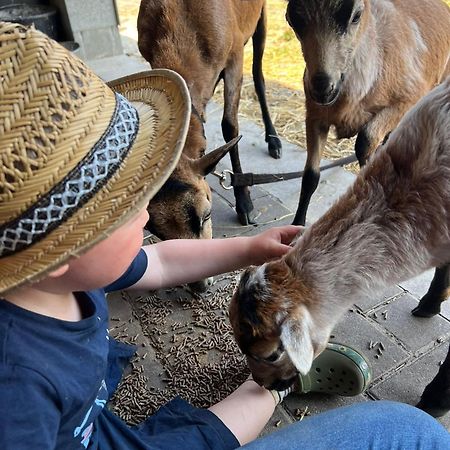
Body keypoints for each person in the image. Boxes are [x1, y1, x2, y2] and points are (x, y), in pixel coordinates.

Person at [0, 22, 449, 450]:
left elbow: (160, 263)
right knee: (412, 432)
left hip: (91, 420)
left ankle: (278, 377)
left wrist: (250, 247)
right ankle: (278, 383)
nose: (147, 209)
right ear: (59, 249)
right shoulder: (16, 393)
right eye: (127, 203)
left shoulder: (65, 277)